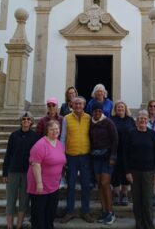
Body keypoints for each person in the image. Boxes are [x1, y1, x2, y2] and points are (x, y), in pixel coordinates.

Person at [124, 110, 155, 229]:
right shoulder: (131, 133)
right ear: (137, 120)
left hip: (148, 172)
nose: (143, 120)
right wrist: (127, 171)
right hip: (134, 172)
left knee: (147, 201)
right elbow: (125, 154)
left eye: (145, 118)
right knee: (137, 201)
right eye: (140, 118)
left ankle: (149, 225)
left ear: (147, 120)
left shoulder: (152, 134)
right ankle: (139, 225)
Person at [60, 96, 94, 224]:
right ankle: (69, 212)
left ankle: (86, 212)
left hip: (85, 156)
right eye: (76, 104)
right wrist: (62, 156)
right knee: (71, 185)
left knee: (86, 185)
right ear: (72, 105)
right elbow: (63, 138)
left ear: (84, 105)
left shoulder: (88, 118)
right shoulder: (66, 118)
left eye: (80, 104)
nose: (78, 106)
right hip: (71, 156)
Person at [27, 120, 66, 229]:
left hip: (53, 185)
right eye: (52, 129)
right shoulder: (40, 144)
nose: (55, 131)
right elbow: (35, 164)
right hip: (40, 185)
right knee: (39, 214)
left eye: (57, 129)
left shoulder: (59, 144)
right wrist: (39, 183)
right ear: (47, 131)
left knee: (50, 212)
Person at [2, 112, 38, 229]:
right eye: (24, 119)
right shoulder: (14, 135)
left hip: (28, 172)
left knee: (24, 200)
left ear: (31, 121)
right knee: (11, 199)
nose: (26, 121)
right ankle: (9, 226)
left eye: (28, 119)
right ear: (21, 121)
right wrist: (5, 172)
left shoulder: (35, 136)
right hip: (13, 171)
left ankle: (18, 226)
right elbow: (8, 154)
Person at [90, 102, 118, 225]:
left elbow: (115, 139)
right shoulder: (90, 123)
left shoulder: (108, 122)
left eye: (99, 111)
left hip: (107, 158)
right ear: (92, 112)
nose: (97, 113)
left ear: (102, 112)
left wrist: (113, 156)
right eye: (95, 111)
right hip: (96, 157)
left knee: (105, 183)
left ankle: (111, 212)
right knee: (99, 185)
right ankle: (104, 211)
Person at [111, 100, 135, 206]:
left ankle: (124, 193)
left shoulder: (130, 120)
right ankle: (116, 194)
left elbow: (134, 133)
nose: (120, 109)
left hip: (128, 151)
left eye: (122, 107)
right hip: (115, 151)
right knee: (115, 173)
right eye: (118, 107)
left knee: (126, 172)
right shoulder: (111, 120)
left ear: (125, 109)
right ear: (115, 109)